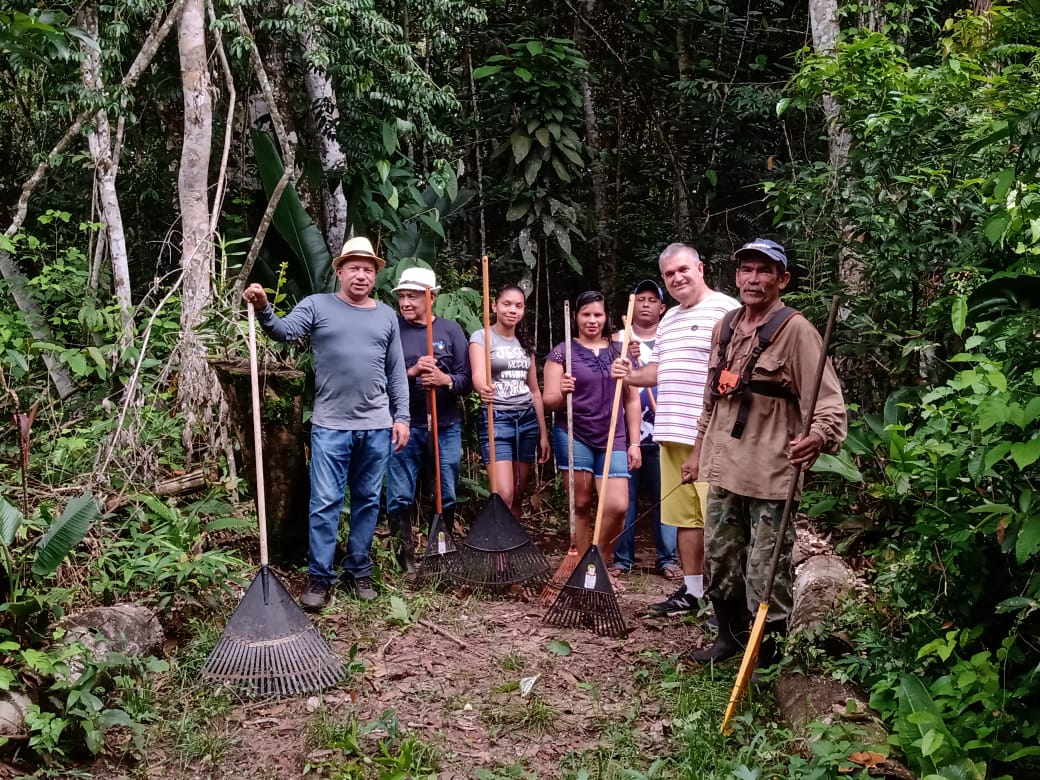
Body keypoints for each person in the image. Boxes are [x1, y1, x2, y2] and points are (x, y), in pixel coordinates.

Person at [684, 238, 847, 671]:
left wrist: (818, 436)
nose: (753, 279)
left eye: (764, 271)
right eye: (746, 270)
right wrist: (697, 452)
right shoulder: (726, 326)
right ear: (737, 276)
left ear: (782, 279)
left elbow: (828, 402)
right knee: (719, 557)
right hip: (724, 464)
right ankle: (728, 638)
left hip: (772, 470)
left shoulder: (796, 331)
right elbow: (711, 399)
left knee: (766, 569)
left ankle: (767, 659)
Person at [242, 236, 409, 611]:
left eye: (368, 269)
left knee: (368, 501)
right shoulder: (317, 305)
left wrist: (402, 417)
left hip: (376, 425)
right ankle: (319, 577)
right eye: (354, 268)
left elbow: (396, 372)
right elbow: (284, 331)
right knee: (325, 502)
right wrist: (264, 307)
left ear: (375, 275)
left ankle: (359, 571)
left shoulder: (386, 316)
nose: (361, 275)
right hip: (331, 425)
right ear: (340, 271)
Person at [611, 244, 739, 616]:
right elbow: (660, 370)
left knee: (719, 519)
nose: (677, 278)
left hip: (710, 436)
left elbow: (737, 370)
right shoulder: (668, 320)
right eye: (669, 274)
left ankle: (725, 600)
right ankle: (693, 592)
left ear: (700, 268)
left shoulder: (726, 310)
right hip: (671, 431)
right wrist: (630, 375)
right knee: (687, 518)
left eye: (683, 269)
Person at [542, 291, 642, 588]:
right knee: (581, 504)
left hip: (614, 436)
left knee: (618, 506)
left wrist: (635, 442)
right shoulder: (562, 352)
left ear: (605, 316)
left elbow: (632, 400)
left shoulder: (619, 351)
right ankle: (582, 568)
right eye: (586, 314)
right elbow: (549, 401)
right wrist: (562, 390)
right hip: (574, 434)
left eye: (598, 314)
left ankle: (598, 563)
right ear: (576, 316)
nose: (592, 320)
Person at [385, 266, 472, 575]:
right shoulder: (392, 330)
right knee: (399, 494)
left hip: (445, 425)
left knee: (445, 490)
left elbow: (467, 380)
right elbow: (381, 380)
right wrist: (411, 373)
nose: (405, 303)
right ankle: (404, 560)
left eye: (413, 296)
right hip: (404, 425)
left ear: (431, 297)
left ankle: (441, 553)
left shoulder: (450, 330)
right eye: (402, 296)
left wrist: (444, 380)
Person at [610, 280, 680, 580]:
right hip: (625, 434)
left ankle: (668, 558)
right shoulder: (618, 339)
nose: (647, 304)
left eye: (653, 300)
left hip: (665, 430)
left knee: (666, 498)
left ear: (662, 307)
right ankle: (621, 558)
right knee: (624, 498)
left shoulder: (671, 337)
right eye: (641, 299)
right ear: (632, 305)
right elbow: (608, 377)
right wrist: (623, 354)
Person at [468, 284, 550, 518]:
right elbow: (477, 375)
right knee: (503, 494)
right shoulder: (482, 337)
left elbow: (534, 390)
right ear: (494, 306)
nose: (512, 310)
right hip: (498, 417)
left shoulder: (525, 342)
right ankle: (497, 541)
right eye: (507, 304)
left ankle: (511, 541)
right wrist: (483, 388)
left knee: (517, 491)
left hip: (526, 419)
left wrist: (543, 434)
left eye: (518, 306)